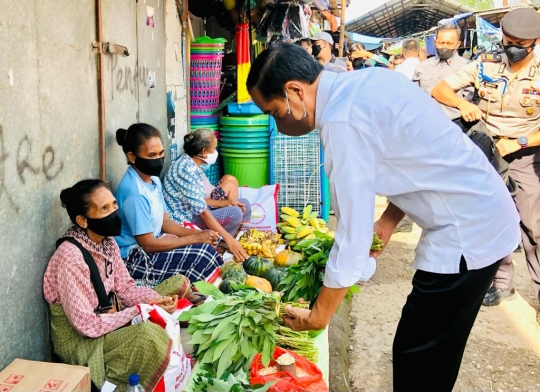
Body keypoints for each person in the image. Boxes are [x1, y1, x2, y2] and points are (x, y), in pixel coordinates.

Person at [246, 42, 520, 391]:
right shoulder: (369, 80)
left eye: (273, 112)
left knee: (419, 355)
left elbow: (353, 233)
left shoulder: (341, 121)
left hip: (467, 233)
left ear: (295, 92)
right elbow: (416, 156)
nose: (278, 123)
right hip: (481, 210)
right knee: (433, 350)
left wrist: (319, 314)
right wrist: (389, 220)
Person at [432, 8, 540, 320]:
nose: (513, 48)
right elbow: (439, 89)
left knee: (533, 228)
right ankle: (502, 283)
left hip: (525, 153)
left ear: (534, 42)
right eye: (509, 41)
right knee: (492, 221)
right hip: (488, 152)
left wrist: (518, 143)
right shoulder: (487, 63)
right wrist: (463, 103)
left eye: (521, 43)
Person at [44, 179, 186, 391]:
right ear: (83, 221)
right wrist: (138, 311)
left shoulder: (107, 242)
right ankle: (119, 384)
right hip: (80, 339)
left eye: (113, 205)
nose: (114, 213)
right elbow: (87, 326)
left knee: (176, 285)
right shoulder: (70, 258)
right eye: (104, 209)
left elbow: (126, 288)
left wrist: (154, 301)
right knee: (148, 336)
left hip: (105, 314)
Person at [114, 123, 223, 289]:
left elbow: (165, 222)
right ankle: (178, 293)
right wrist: (194, 238)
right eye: (152, 155)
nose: (158, 159)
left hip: (154, 244)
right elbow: (148, 244)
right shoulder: (134, 192)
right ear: (132, 157)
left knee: (204, 247)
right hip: (135, 258)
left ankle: (191, 290)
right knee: (203, 254)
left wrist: (200, 234)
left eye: (161, 153)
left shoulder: (153, 179)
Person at [163, 129, 251, 262]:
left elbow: (200, 200)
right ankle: (220, 249)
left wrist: (227, 203)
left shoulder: (192, 163)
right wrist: (228, 238)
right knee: (235, 214)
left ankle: (235, 241)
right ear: (204, 152)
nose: (216, 153)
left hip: (195, 210)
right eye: (214, 149)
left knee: (244, 203)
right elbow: (202, 212)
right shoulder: (186, 169)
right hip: (185, 219)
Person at [413, 24, 475, 132]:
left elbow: (471, 98)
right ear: (435, 42)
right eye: (441, 43)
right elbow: (413, 96)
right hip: (426, 126)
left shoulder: (467, 68)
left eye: (449, 43)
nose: (444, 47)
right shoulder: (422, 67)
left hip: (457, 126)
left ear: (457, 44)